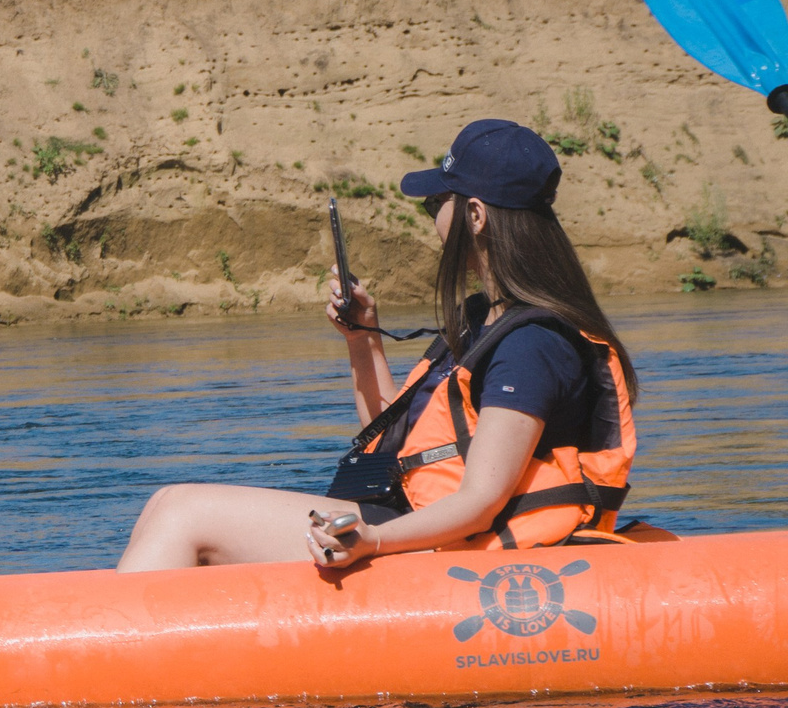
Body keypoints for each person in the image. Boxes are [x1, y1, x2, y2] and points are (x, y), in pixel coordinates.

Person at [114, 118, 638, 572]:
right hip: (409, 522)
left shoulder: (532, 345)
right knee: (167, 503)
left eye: (438, 201)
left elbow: (481, 501)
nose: (433, 216)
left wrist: (373, 542)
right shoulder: (486, 321)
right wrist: (363, 341)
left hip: (441, 548)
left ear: (475, 215)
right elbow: (399, 448)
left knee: (183, 512)